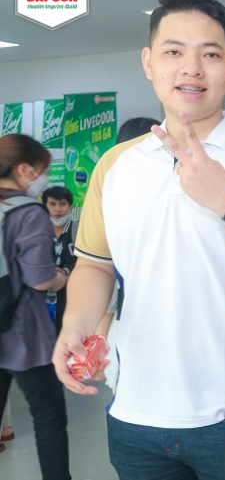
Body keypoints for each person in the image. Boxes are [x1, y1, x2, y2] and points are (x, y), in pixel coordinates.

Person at [52, 0, 225, 479]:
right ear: (148, 62)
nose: (192, 68)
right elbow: (95, 264)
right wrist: (76, 324)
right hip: (135, 409)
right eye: (174, 51)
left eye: (210, 54)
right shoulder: (115, 165)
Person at [0, 134, 70, 478]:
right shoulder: (29, 212)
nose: (43, 177)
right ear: (24, 169)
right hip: (23, 334)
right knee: (49, 417)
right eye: (42, 170)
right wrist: (61, 277)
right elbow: (40, 279)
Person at [41, 186, 77, 335]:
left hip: (71, 293)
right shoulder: (38, 232)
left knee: (65, 329)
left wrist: (66, 270)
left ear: (70, 207)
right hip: (43, 291)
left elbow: (87, 260)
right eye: (52, 204)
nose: (58, 209)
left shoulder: (78, 231)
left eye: (62, 204)